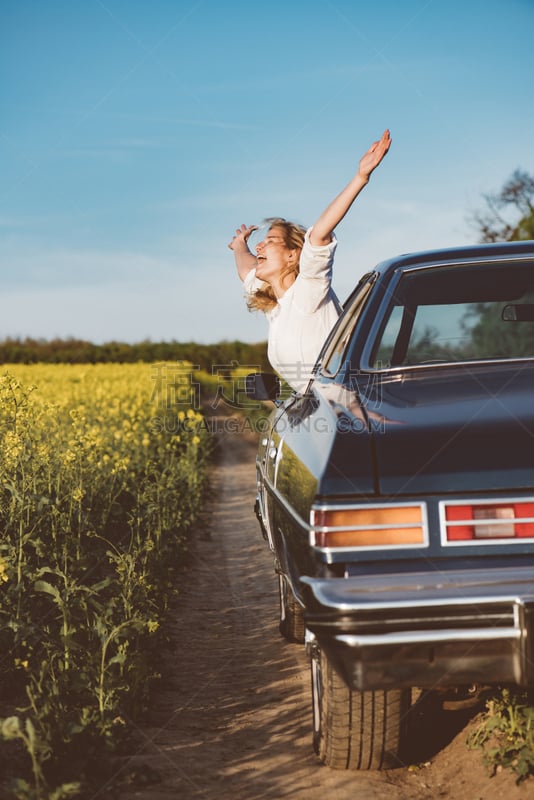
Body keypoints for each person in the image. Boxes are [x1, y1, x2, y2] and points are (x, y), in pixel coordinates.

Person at [228, 129, 391, 392]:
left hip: (348, 409)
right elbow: (247, 269)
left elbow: (318, 236)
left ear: (294, 255)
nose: (261, 245)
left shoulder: (308, 289)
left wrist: (360, 177)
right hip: (317, 412)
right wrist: (239, 246)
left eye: (270, 240)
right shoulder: (274, 304)